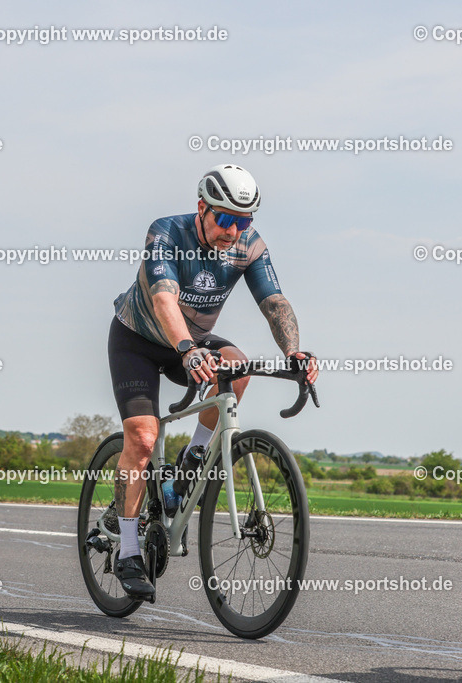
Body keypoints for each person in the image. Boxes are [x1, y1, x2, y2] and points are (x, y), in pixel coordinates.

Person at [106, 164, 319, 600]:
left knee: (237, 368)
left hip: (196, 342)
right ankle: (127, 550)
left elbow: (275, 302)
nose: (232, 230)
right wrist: (185, 348)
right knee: (144, 439)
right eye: (224, 219)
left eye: (243, 222)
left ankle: (193, 458)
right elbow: (164, 297)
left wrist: (294, 351)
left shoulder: (249, 246)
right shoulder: (166, 232)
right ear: (201, 208)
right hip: (141, 340)